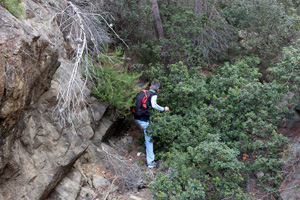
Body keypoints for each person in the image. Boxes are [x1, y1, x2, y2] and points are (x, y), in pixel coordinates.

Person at [134, 81, 170, 168]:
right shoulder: (153, 95)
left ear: (150, 86)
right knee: (149, 140)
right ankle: (150, 162)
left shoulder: (144, 92)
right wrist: (164, 109)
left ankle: (144, 144)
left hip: (136, 118)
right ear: (157, 90)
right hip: (144, 121)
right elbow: (154, 105)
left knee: (147, 132)